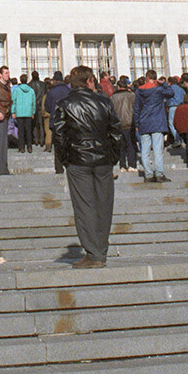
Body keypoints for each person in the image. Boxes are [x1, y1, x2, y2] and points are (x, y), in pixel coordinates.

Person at [50, 65, 123, 269]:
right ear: (89, 80)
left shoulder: (65, 104)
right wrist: (112, 157)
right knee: (104, 206)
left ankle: (94, 252)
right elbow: (115, 132)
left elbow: (59, 135)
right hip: (102, 159)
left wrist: (66, 160)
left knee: (84, 207)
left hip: (78, 160)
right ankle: (100, 250)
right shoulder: (104, 102)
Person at [110, 77, 137, 172]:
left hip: (118, 123)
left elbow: (111, 111)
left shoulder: (113, 97)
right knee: (131, 144)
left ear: (118, 86)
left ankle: (122, 165)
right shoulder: (132, 95)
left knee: (121, 146)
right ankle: (132, 165)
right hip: (130, 122)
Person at [11, 74, 36, 154]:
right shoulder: (31, 90)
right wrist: (33, 112)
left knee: (20, 131)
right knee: (28, 130)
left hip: (19, 112)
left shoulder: (17, 90)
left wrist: (13, 111)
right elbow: (33, 102)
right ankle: (29, 146)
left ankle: (21, 147)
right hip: (28, 112)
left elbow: (13, 101)